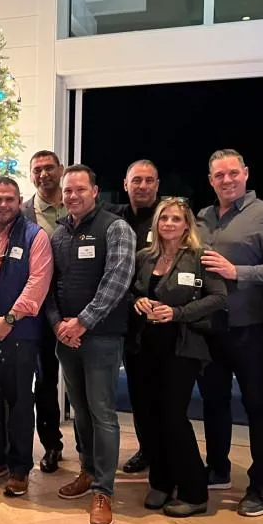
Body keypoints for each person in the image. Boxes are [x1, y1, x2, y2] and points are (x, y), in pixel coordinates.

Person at [196, 149, 263, 517]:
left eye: (233, 173)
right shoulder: (201, 218)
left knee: (258, 405)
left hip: (250, 328)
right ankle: (217, 469)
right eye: (219, 175)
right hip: (209, 327)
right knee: (213, 402)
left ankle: (262, 486)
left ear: (246, 173)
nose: (227, 180)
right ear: (211, 180)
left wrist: (238, 272)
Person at [47, 164, 135, 524]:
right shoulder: (58, 234)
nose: (72, 196)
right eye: (67, 190)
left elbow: (117, 279)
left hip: (101, 337)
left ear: (95, 191)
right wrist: (58, 325)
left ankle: (104, 490)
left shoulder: (116, 228)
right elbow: (49, 285)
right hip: (66, 338)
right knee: (80, 412)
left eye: (80, 189)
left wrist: (82, 321)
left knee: (102, 413)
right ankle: (87, 470)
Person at [126, 198, 227, 517]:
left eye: (175, 219)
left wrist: (178, 312)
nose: (168, 223)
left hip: (181, 348)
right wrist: (137, 301)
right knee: (148, 416)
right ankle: (160, 482)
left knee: (173, 416)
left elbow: (218, 297)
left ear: (187, 225)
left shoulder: (200, 257)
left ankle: (194, 491)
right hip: (144, 347)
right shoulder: (143, 257)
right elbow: (129, 291)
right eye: (163, 218)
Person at [0, 177, 53, 497]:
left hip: (20, 332)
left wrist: (8, 320)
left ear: (20, 201)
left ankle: (20, 468)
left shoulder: (35, 236)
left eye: (9, 199)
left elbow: (38, 282)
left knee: (20, 401)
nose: (3, 205)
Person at [108, 159, 162, 475]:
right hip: (126, 322)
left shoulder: (168, 218)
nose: (142, 186)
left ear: (157, 185)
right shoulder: (114, 218)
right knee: (139, 392)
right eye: (136, 180)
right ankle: (147, 449)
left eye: (148, 180)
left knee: (164, 394)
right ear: (125, 184)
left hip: (162, 321)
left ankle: (168, 454)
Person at [21, 150, 67, 473]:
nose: (43, 174)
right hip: (38, 311)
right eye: (37, 169)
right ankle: (52, 444)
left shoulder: (76, 203)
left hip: (75, 307)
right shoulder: (23, 213)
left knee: (82, 382)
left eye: (49, 168)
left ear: (60, 170)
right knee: (45, 380)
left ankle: (88, 450)